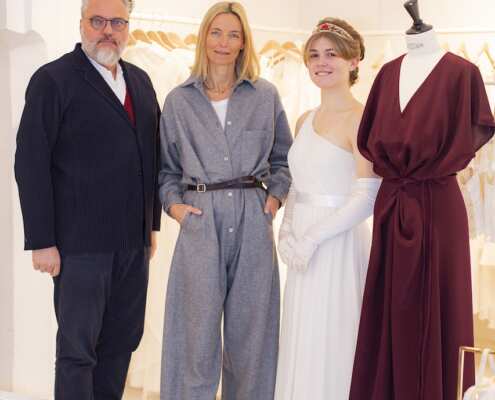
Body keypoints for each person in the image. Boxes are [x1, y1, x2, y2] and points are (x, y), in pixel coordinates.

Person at [14, 0, 161, 398]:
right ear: (82, 24)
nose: (107, 30)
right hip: (79, 246)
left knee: (122, 342)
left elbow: (151, 155)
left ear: (128, 27)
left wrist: (150, 226)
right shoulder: (54, 79)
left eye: (117, 22)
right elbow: (31, 162)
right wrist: (42, 240)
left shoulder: (141, 82)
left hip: (132, 244)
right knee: (78, 351)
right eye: (97, 21)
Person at [349, 6, 495, 400]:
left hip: (437, 206)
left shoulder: (463, 74)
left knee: (439, 308)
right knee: (390, 307)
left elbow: (472, 134)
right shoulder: (386, 75)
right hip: (392, 204)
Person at [158, 2, 292, 399]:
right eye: (216, 32)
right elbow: (166, 170)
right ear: (204, 37)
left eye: (233, 34)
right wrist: (176, 208)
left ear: (244, 42)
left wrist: (274, 199)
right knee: (193, 339)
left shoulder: (265, 95)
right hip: (200, 219)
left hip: (252, 218)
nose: (223, 42)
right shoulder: (179, 101)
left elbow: (284, 159)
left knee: (252, 340)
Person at [274, 18, 381, 400]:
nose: (322, 62)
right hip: (302, 249)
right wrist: (287, 232)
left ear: (353, 61)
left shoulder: (362, 119)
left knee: (333, 334)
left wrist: (313, 239)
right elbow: (298, 186)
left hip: (337, 244)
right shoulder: (305, 119)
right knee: (303, 334)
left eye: (332, 54)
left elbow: (367, 196)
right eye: (314, 55)